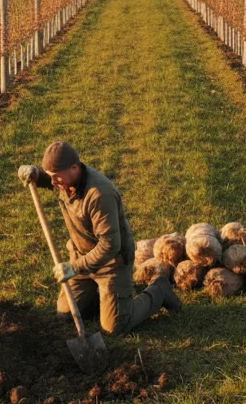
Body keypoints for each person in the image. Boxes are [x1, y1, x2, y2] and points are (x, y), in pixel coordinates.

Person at [18, 140, 180, 335]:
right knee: (66, 315)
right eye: (51, 177)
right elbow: (50, 178)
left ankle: (159, 291)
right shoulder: (65, 180)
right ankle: (102, 296)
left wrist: (74, 268)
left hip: (111, 263)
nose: (53, 183)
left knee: (115, 327)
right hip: (82, 256)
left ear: (74, 168)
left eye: (56, 177)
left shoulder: (99, 195)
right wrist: (35, 173)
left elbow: (110, 245)